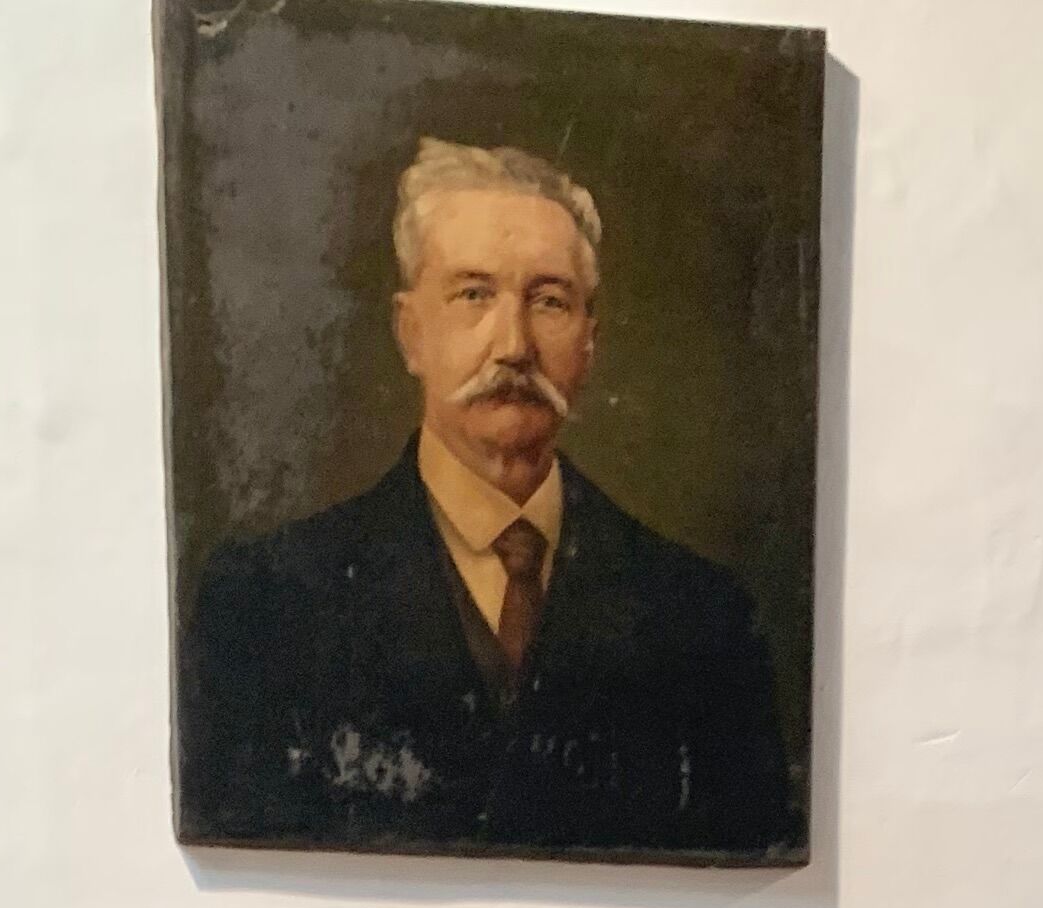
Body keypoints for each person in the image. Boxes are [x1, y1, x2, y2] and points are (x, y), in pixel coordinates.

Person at [178, 135, 800, 865]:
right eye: (474, 295)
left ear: (590, 345)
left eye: (549, 302)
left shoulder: (704, 619)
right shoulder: (265, 605)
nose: (513, 345)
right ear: (410, 333)